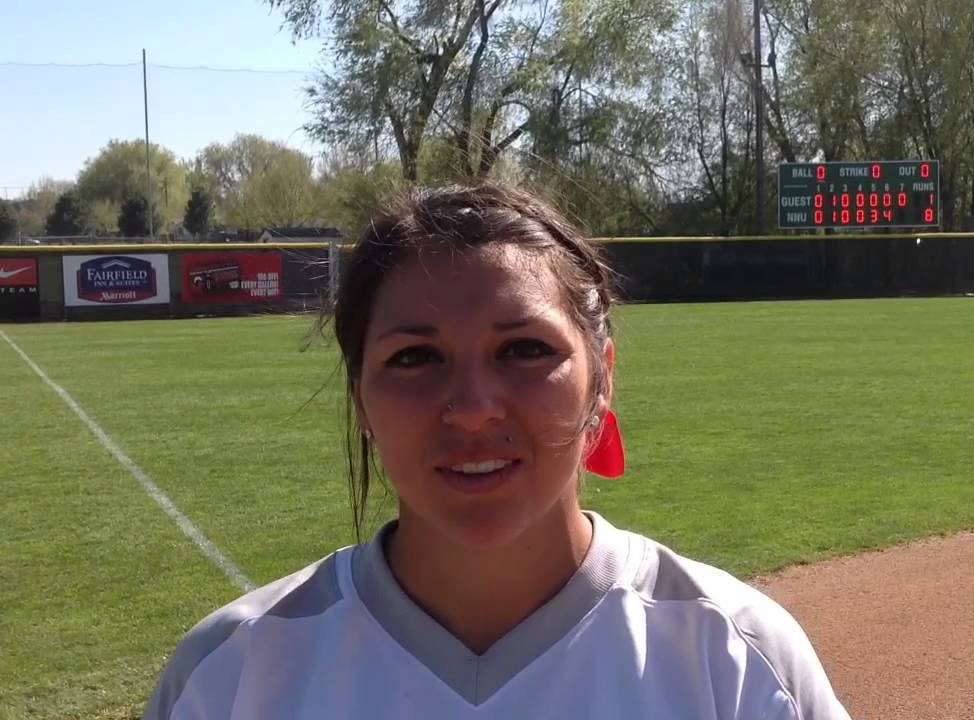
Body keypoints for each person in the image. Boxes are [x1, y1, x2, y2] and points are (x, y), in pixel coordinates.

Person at [143, 183, 852, 720]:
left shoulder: (734, 663)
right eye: (416, 358)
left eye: (524, 350)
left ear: (602, 377)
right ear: (361, 397)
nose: (475, 408)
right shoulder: (230, 676)